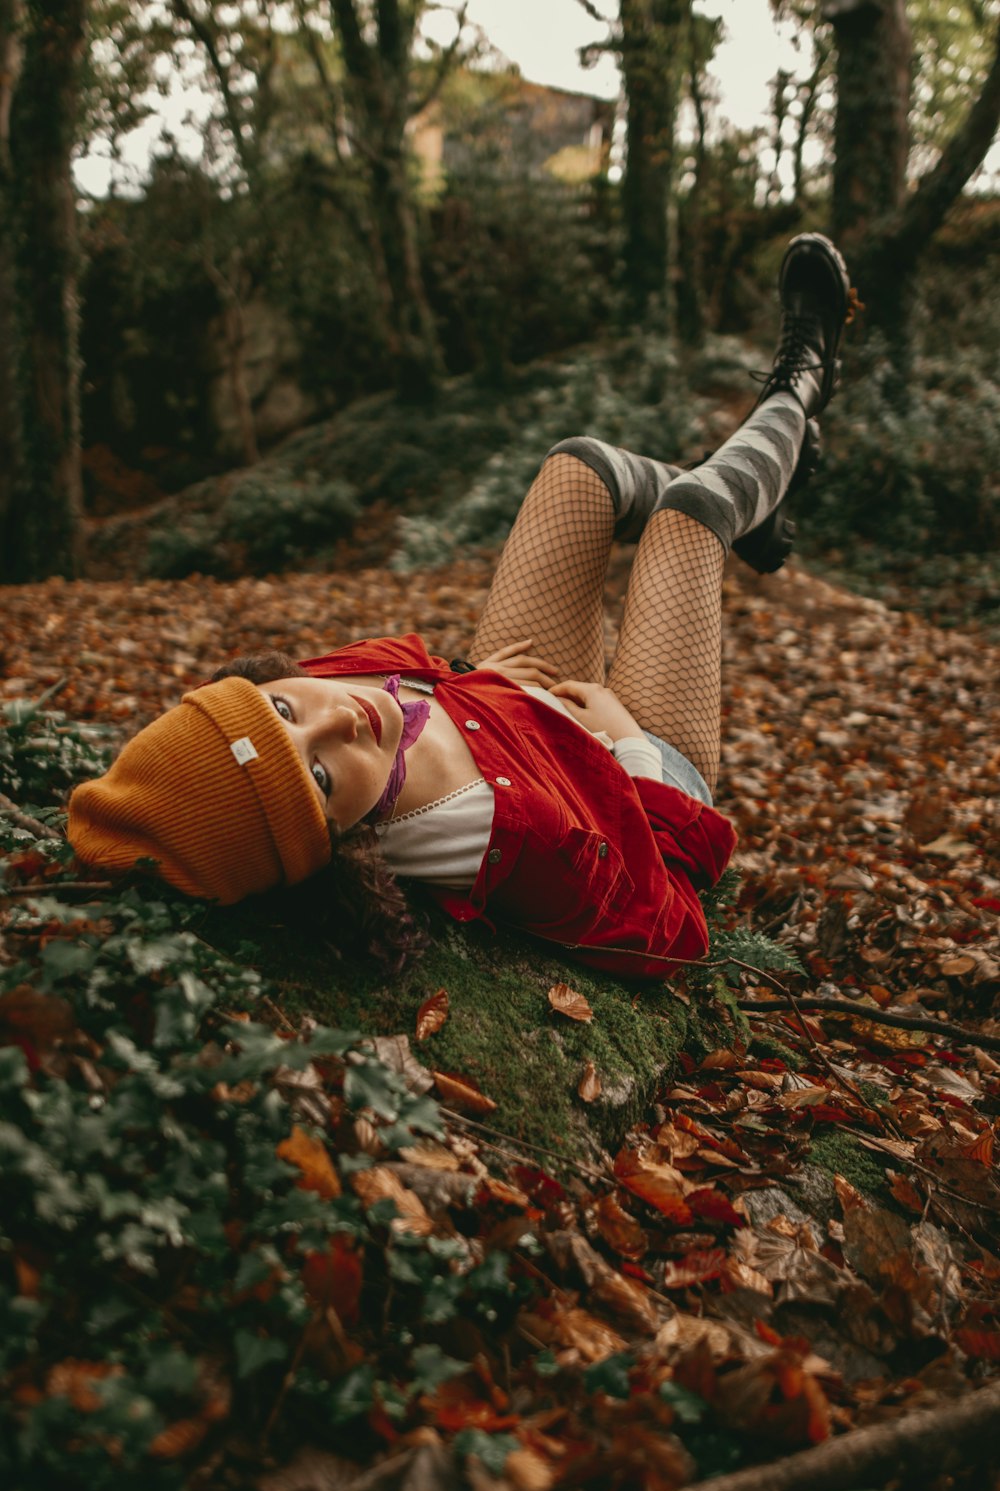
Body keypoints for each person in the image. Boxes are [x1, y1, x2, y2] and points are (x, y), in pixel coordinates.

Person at [67, 234, 851, 979]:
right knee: (689, 517)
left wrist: (462, 679)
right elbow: (671, 926)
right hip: (638, 776)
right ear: (344, 848)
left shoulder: (320, 688)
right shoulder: (501, 839)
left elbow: (404, 674)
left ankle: (758, 492)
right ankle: (801, 384)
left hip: (510, 699)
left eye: (281, 707)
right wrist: (625, 744)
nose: (337, 719)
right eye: (320, 777)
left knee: (580, 469)